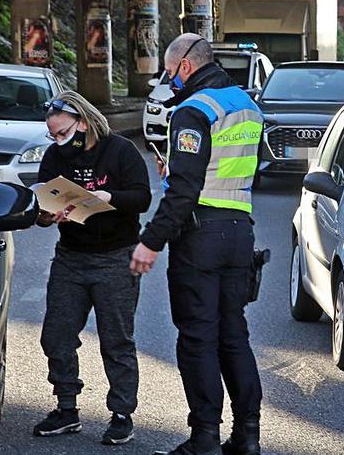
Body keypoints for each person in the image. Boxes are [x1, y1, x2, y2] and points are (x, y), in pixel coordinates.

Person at [130, 33, 265, 455]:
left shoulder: (193, 110)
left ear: (185, 66)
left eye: (170, 72)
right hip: (239, 232)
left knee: (197, 338)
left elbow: (186, 188)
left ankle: (204, 437)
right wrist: (178, 168)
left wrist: (151, 241)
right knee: (234, 336)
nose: (169, 80)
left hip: (200, 235)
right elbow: (228, 169)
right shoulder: (246, 104)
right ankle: (247, 437)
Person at [32, 91, 152, 446]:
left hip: (116, 257)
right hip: (71, 256)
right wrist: (46, 215)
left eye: (64, 133)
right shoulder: (55, 158)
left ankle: (121, 414)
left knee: (117, 341)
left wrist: (109, 197)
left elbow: (142, 198)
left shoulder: (120, 151)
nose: (58, 142)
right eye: (53, 136)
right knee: (56, 336)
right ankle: (66, 409)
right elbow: (40, 210)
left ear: (83, 122)